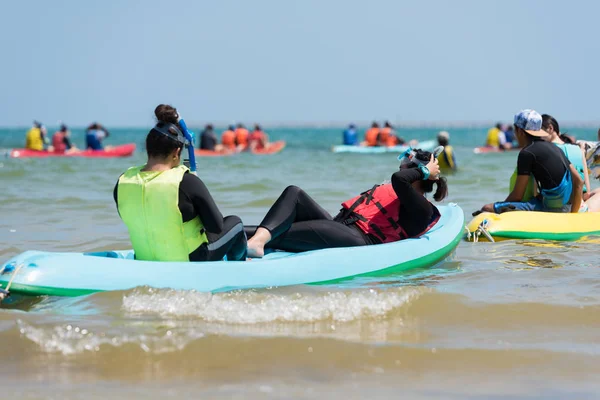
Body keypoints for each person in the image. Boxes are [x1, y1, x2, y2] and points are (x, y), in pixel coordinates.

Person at [245, 147, 447, 257]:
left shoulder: (421, 208)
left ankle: (250, 241)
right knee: (294, 193)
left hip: (358, 240)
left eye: (406, 164)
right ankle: (250, 240)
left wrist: (425, 171)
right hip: (339, 228)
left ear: (417, 174)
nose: (401, 166)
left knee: (281, 233)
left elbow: (399, 179)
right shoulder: (403, 190)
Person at [113, 104, 246, 262]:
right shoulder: (186, 181)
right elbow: (216, 227)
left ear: (148, 148)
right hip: (191, 259)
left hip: (145, 258)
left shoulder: (123, 180)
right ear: (176, 152)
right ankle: (239, 267)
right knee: (235, 223)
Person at [476, 109, 583, 215]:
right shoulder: (555, 148)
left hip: (549, 208)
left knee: (487, 208)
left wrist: (499, 209)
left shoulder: (527, 153)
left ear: (520, 131)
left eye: (515, 130)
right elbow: (578, 181)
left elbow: (517, 196)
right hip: (567, 206)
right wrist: (573, 215)